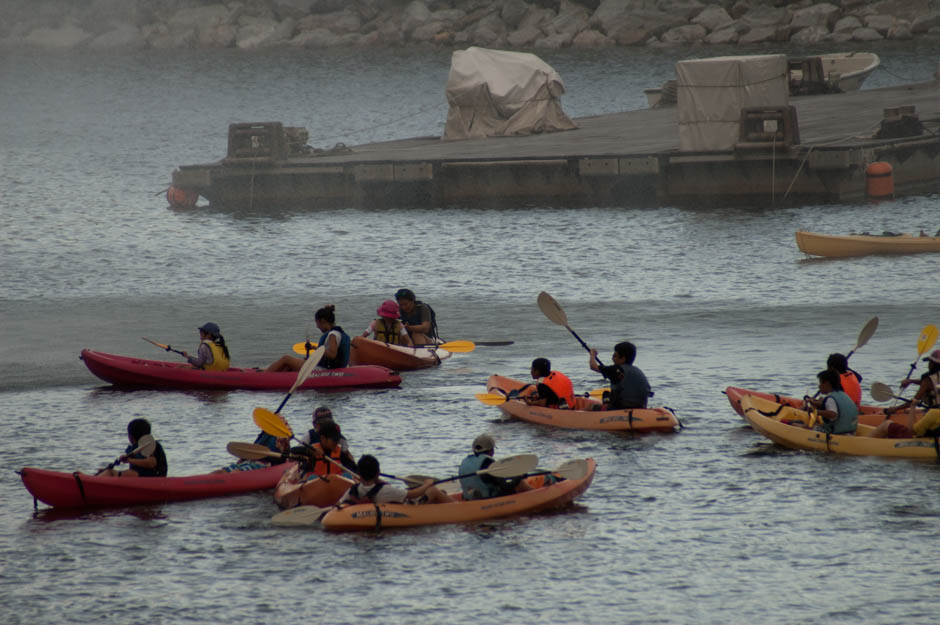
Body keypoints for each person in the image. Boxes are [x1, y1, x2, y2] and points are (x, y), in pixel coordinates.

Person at [870, 349, 940, 438]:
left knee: (909, 416)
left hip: (933, 413)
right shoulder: (930, 380)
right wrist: (911, 381)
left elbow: (913, 401)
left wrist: (895, 409)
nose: (928, 365)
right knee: (907, 411)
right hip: (935, 410)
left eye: (929, 362)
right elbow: (930, 384)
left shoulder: (927, 380)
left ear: (933, 364)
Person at [338, 454, 453, 505]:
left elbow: (340, 503)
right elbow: (413, 494)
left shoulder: (353, 490)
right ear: (378, 473)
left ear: (360, 475)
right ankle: (458, 505)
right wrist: (428, 484)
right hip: (410, 508)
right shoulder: (386, 490)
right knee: (432, 490)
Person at [265, 304, 351, 372]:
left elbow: (332, 355)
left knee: (286, 359)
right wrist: (314, 349)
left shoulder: (333, 334)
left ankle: (264, 375)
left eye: (317, 323)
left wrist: (317, 348)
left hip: (324, 370)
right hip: (330, 367)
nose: (317, 327)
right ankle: (272, 374)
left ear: (322, 321)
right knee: (288, 366)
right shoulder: (340, 333)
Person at [459, 434, 531, 500]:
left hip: (469, 498)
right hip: (488, 500)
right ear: (491, 450)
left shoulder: (465, 461)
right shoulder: (488, 464)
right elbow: (505, 484)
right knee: (519, 483)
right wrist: (518, 476)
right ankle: (535, 494)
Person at [589, 342, 651, 410]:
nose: (612, 359)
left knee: (589, 407)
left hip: (619, 408)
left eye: (615, 356)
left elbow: (593, 366)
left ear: (623, 358)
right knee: (606, 395)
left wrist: (592, 355)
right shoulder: (639, 372)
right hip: (640, 408)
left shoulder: (615, 369)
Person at [98, 418, 168, 478]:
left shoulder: (151, 445)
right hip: (142, 477)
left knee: (111, 473)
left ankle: (97, 482)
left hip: (153, 478)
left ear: (131, 436)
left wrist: (129, 460)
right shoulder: (134, 448)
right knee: (107, 471)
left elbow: (151, 463)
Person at [802, 369, 858, 435]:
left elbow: (833, 414)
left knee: (806, 427)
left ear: (827, 383)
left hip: (835, 432)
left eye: (821, 383)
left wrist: (816, 412)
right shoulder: (843, 395)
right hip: (850, 431)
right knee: (818, 424)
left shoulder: (830, 398)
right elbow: (834, 406)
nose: (819, 386)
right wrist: (815, 403)